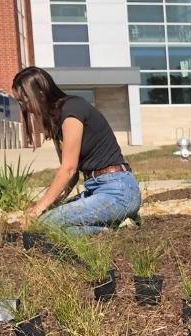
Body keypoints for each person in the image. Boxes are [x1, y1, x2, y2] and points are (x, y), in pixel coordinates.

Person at [12, 67, 141, 234]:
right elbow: (71, 178)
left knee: (45, 224)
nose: (24, 108)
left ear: (41, 95)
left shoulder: (72, 109)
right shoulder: (57, 122)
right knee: (48, 222)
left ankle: (117, 229)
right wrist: (50, 207)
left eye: (25, 101)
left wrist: (37, 210)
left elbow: (68, 169)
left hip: (118, 191)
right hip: (97, 189)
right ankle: (118, 226)